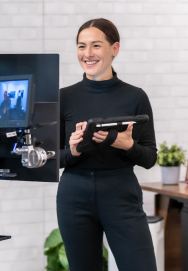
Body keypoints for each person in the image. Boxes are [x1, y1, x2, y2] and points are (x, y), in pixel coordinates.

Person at [57, 18, 157, 271]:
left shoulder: (135, 96)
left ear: (115, 48)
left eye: (96, 46)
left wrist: (126, 145)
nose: (87, 54)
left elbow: (149, 158)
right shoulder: (64, 97)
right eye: (81, 46)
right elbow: (50, 158)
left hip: (121, 194)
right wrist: (74, 150)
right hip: (74, 197)